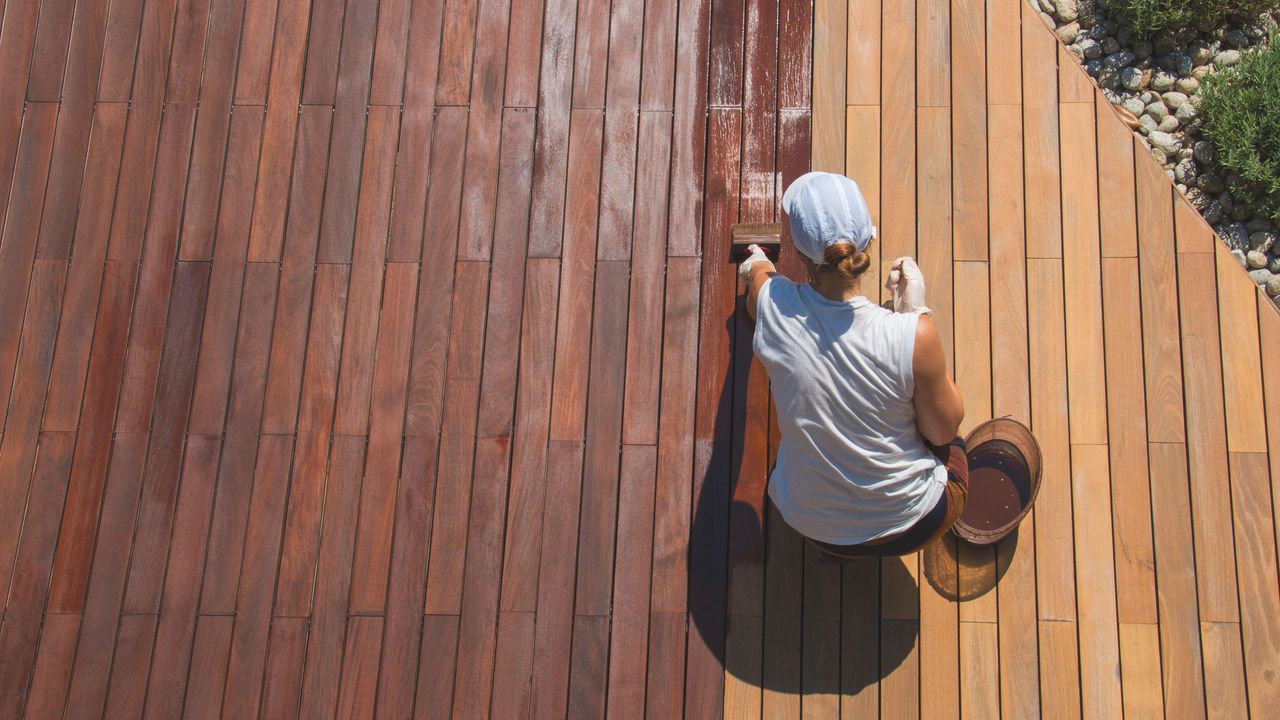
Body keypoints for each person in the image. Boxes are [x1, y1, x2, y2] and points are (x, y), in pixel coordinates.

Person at [737, 171, 967, 559]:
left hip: (812, 526)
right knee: (953, 438)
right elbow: (943, 431)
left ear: (799, 252)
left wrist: (757, 263)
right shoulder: (915, 335)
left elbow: (758, 280)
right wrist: (913, 312)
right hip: (913, 523)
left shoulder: (771, 305)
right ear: (869, 241)